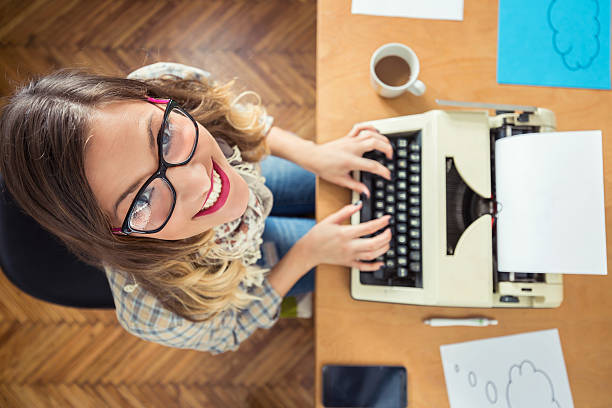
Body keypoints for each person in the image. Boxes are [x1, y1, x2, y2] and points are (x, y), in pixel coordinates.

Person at [0, 62, 393, 354]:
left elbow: (240, 122)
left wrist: (314, 154)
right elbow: (230, 331)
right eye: (142, 200)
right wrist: (308, 252)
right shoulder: (152, 312)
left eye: (165, 135)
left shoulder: (166, 81)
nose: (199, 183)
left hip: (248, 173)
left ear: (154, 98)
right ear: (114, 234)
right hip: (243, 269)